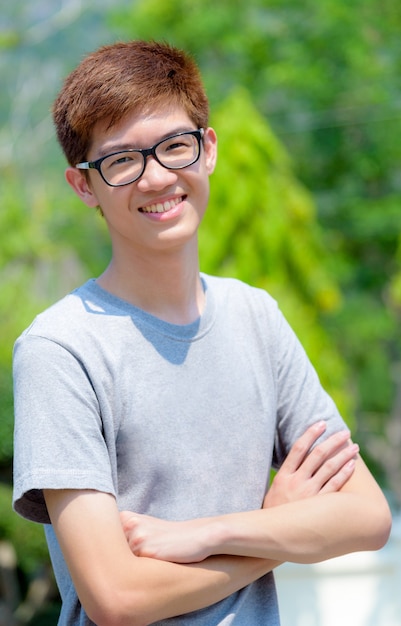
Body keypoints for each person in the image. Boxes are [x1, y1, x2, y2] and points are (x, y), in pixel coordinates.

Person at [12, 40, 391, 626]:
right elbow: (117, 598)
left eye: (174, 146)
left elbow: (367, 518)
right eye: (120, 161)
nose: (156, 177)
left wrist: (212, 533)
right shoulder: (60, 350)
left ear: (207, 149)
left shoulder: (256, 318)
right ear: (84, 185)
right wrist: (275, 533)